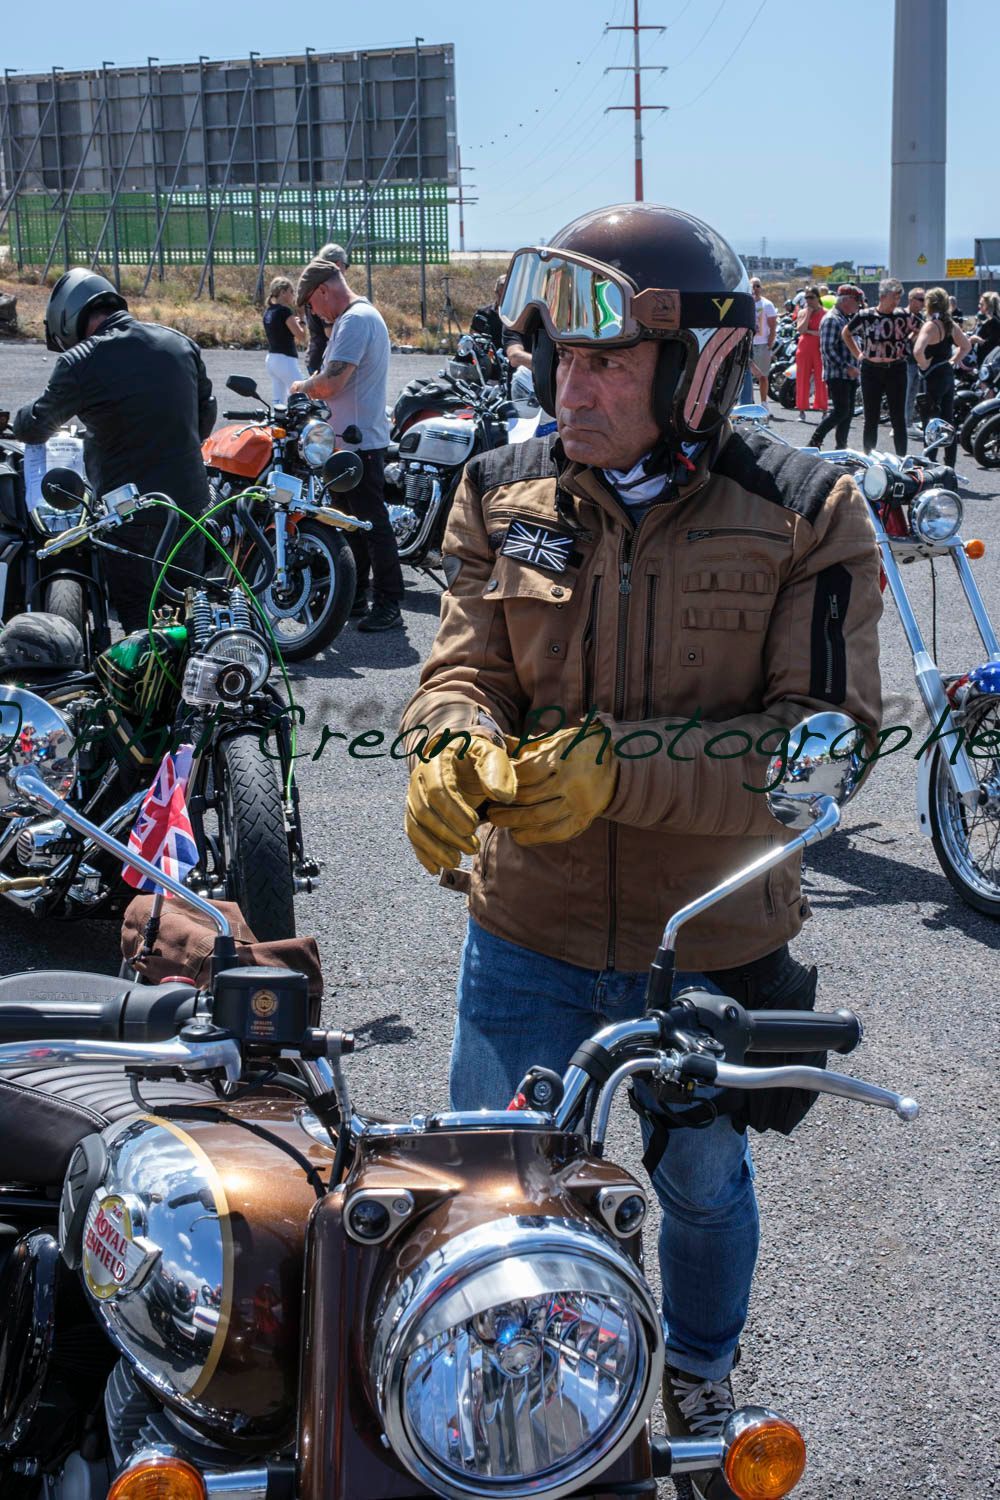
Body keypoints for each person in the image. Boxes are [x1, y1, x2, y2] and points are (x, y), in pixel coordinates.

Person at [399, 202, 882, 1497]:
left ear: (700, 369)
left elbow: (828, 748)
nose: (574, 386)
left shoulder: (806, 510)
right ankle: (502, 1374)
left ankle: (706, 1363)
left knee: (707, 1185)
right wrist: (445, 742)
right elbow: (463, 668)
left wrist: (627, 770)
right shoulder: (499, 492)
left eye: (607, 361)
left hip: (708, 946)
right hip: (525, 933)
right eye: (561, 359)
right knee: (495, 1182)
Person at [12, 268, 215, 633]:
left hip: (130, 514)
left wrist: (17, 416)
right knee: (185, 617)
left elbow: (36, 426)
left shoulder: (81, 361)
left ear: (68, 317)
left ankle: (142, 688)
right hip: (190, 504)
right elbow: (205, 414)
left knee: (140, 624)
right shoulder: (180, 343)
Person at [292, 256, 404, 632]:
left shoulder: (356, 320)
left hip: (358, 442)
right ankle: (354, 595)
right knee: (347, 525)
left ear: (323, 290)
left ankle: (389, 602)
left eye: (310, 303)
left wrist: (301, 387)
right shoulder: (350, 320)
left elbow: (330, 384)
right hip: (347, 441)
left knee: (371, 526)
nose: (312, 312)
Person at [842, 276, 917, 456]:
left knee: (898, 418)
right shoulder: (865, 315)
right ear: (883, 296)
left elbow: (921, 330)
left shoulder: (903, 315)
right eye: (894, 298)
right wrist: (858, 354)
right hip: (871, 370)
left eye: (899, 298)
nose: (897, 302)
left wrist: (906, 344)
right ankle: (869, 457)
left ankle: (901, 459)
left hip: (896, 369)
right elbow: (846, 333)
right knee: (871, 417)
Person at [913, 286, 972, 465]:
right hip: (947, 375)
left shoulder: (930, 326)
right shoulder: (950, 325)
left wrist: (924, 364)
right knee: (948, 422)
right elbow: (966, 346)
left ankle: (930, 465)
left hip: (932, 378)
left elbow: (917, 351)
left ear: (929, 305)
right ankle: (949, 466)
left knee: (930, 422)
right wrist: (953, 361)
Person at [813, 284, 863, 450]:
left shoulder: (845, 319)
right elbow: (827, 349)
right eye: (856, 301)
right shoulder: (831, 319)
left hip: (848, 375)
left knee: (847, 413)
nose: (858, 305)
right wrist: (846, 366)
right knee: (840, 411)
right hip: (838, 374)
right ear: (846, 300)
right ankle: (815, 441)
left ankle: (841, 446)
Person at [304, 243, 349, 375]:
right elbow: (331, 333)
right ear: (339, 265)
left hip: (316, 355)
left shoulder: (314, 286)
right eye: (346, 266)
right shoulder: (326, 293)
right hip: (325, 360)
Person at [262, 276, 306, 405]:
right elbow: (302, 337)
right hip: (285, 360)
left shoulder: (269, 311)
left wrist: (294, 322)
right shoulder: (285, 311)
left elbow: (280, 329)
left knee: (279, 401)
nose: (293, 295)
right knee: (302, 393)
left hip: (272, 359)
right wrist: (302, 317)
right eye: (291, 292)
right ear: (282, 292)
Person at [794, 285, 828, 421]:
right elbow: (801, 330)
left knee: (822, 379)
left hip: (819, 349)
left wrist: (810, 331)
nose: (808, 300)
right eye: (806, 297)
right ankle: (802, 410)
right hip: (804, 349)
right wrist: (808, 313)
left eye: (811, 297)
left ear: (817, 298)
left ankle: (824, 409)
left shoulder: (825, 313)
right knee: (802, 379)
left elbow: (823, 333)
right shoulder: (803, 312)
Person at [749, 277, 777, 405]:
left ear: (761, 288)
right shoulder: (746, 303)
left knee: (763, 376)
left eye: (757, 286)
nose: (755, 289)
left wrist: (769, 344)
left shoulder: (767, 304)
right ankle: (749, 403)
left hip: (762, 345)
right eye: (753, 286)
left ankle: (764, 403)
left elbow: (773, 327)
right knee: (745, 377)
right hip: (747, 345)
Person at [903, 287, 926, 432]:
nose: (924, 303)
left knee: (912, 393)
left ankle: (908, 423)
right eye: (921, 299)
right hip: (905, 361)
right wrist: (916, 335)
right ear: (911, 300)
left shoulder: (921, 318)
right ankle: (900, 424)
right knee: (904, 394)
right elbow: (901, 339)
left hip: (916, 361)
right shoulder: (903, 316)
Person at [470, 276, 506, 353]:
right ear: (495, 292)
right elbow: (474, 336)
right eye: (499, 294)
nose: (502, 298)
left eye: (506, 295)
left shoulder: (519, 317)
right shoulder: (482, 314)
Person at [970, 290, 1000, 366]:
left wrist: (978, 340)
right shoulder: (985, 319)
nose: (979, 306)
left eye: (981, 304)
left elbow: (994, 343)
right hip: (980, 358)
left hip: (988, 361)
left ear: (989, 305)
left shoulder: (994, 321)